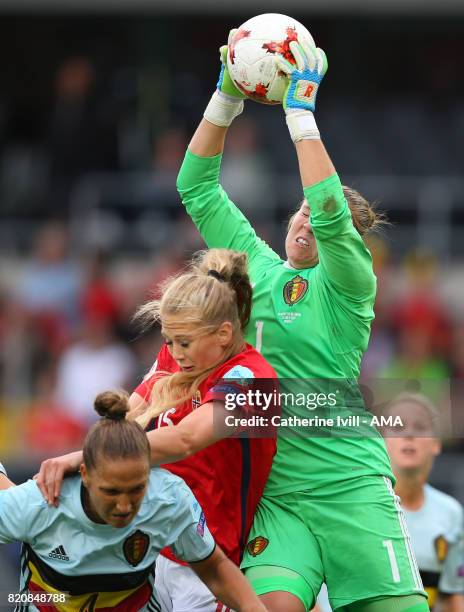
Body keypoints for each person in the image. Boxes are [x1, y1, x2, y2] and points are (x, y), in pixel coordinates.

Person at [172, 30, 429, 612]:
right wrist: (226, 97)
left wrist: (301, 118)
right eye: (301, 211)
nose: (306, 223)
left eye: (319, 221)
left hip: (350, 486)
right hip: (277, 493)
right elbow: (196, 188)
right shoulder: (255, 269)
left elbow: (335, 216)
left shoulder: (348, 287)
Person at [36, 248, 278, 611]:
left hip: (209, 568)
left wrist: (89, 458)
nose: (174, 352)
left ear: (225, 333)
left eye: (184, 342)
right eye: (169, 341)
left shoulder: (255, 379)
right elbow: (132, 414)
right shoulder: (176, 356)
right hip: (149, 552)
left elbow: (186, 438)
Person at [0, 390, 268, 612]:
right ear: (85, 474)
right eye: (112, 492)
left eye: (136, 489)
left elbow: (213, 567)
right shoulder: (41, 502)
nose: (125, 506)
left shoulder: (168, 499)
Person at [384, 393, 464, 612]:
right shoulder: (357, 505)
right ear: (382, 442)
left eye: (419, 427)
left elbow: (452, 597)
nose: (409, 434)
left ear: (436, 444)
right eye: (398, 426)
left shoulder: (451, 513)